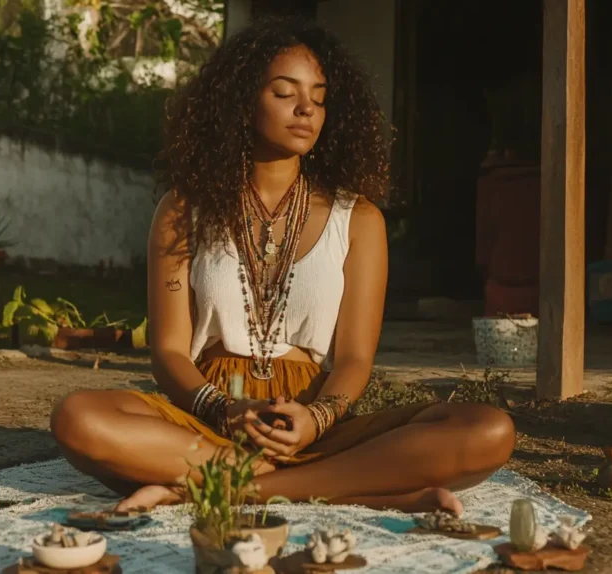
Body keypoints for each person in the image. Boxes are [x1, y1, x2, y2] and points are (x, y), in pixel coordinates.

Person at [51, 17, 515, 515]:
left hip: (315, 423)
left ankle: (226, 487)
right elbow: (167, 351)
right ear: (242, 100)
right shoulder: (184, 209)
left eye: (318, 97)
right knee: (78, 417)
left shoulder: (358, 219)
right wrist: (223, 409)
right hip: (208, 422)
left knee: (488, 429)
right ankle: (349, 488)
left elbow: (356, 358)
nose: (306, 110)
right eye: (284, 92)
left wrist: (316, 418)